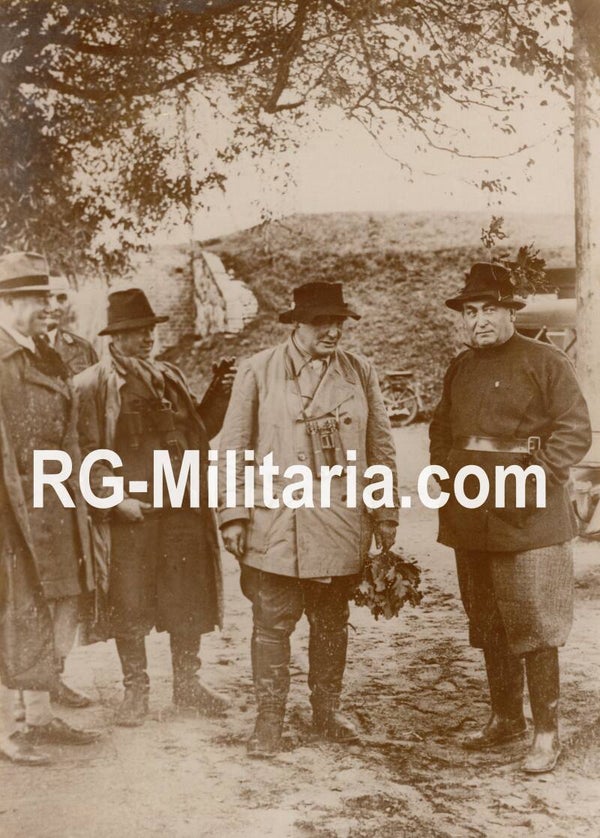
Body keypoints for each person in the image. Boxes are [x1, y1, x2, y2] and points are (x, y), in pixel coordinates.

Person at [218, 281, 399, 757]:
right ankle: (268, 722)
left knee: (331, 621)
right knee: (272, 622)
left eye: (339, 322)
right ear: (296, 323)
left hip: (340, 521)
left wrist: (384, 512)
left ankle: (327, 713)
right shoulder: (257, 370)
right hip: (277, 522)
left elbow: (380, 447)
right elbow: (232, 448)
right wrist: (234, 513)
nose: (332, 330)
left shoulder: (360, 372)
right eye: (321, 321)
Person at [429, 262, 592, 774]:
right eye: (470, 312)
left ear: (509, 312)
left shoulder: (546, 361)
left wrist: (535, 477)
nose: (478, 321)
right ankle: (506, 720)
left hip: (529, 515)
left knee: (535, 623)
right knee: (489, 621)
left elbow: (574, 432)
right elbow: (441, 428)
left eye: (489, 310)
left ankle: (547, 734)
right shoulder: (460, 367)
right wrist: (445, 473)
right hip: (472, 511)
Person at [75, 288, 233, 727]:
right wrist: (114, 500)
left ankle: (187, 686)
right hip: (134, 514)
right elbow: (83, 455)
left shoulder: (170, 375)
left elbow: (198, 432)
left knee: (188, 596)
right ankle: (136, 691)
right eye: (133, 331)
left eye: (148, 329)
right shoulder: (93, 385)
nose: (145, 337)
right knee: (130, 602)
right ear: (114, 337)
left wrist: (219, 394)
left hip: (181, 506)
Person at [0, 252, 99, 765]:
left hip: (53, 504)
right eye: (38, 299)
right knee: (10, 614)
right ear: (9, 301)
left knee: (44, 612)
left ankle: (38, 718)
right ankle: (7, 730)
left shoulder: (43, 353)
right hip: (10, 515)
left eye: (48, 298)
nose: (48, 307)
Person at [45, 275, 98, 377]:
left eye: (61, 299)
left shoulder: (83, 348)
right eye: (48, 297)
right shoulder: (21, 349)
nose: (55, 306)